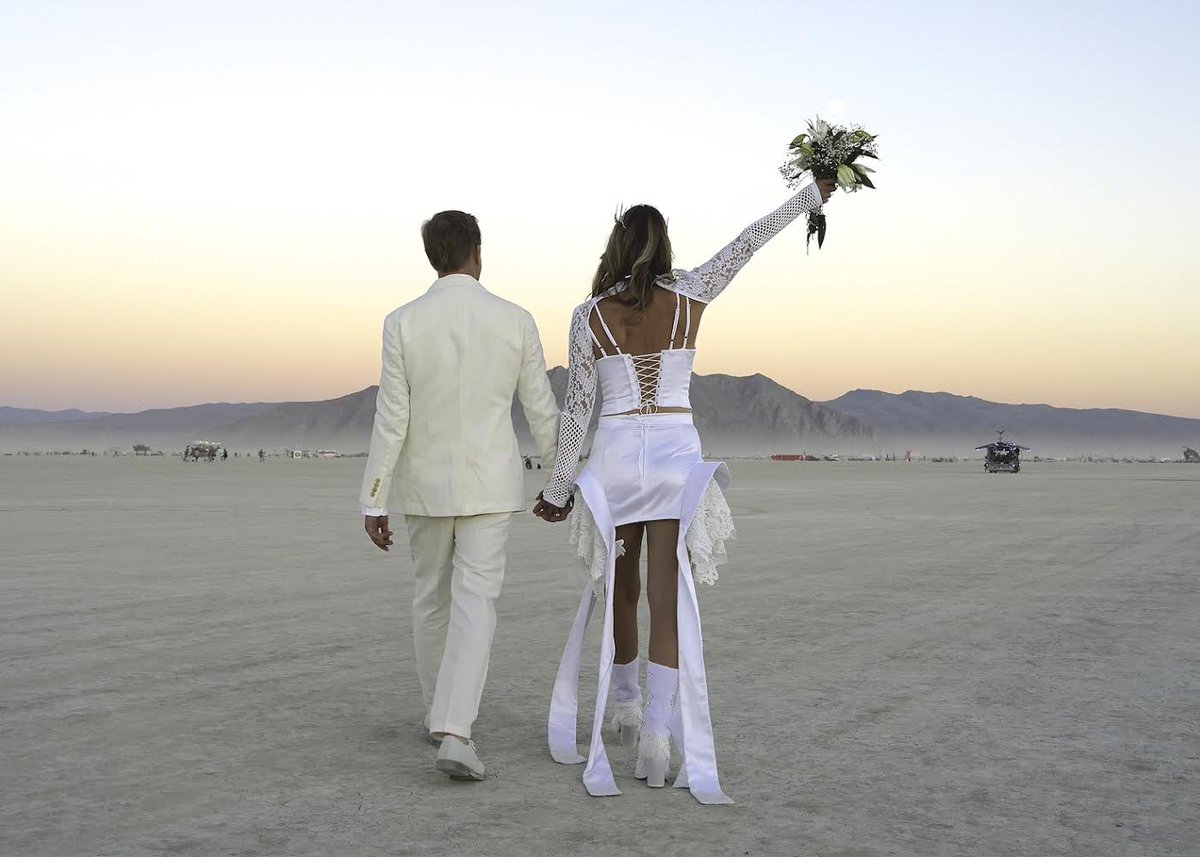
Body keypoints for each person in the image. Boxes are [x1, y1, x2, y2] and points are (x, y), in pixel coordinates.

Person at [533, 175, 835, 804]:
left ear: (615, 246)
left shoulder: (589, 315)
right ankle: (657, 742)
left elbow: (578, 410)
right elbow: (746, 243)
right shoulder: (692, 292)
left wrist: (560, 488)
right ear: (665, 243)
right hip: (674, 457)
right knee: (669, 599)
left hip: (616, 459)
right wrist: (808, 196)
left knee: (622, 587)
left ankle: (626, 704)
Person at [360, 210, 560, 781]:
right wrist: (562, 478)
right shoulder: (515, 320)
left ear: (433, 257)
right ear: (478, 251)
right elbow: (541, 411)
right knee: (477, 604)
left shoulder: (401, 322)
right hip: (492, 487)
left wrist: (374, 498)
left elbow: (391, 419)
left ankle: (436, 715)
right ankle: (455, 729)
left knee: (430, 599)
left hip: (421, 487)